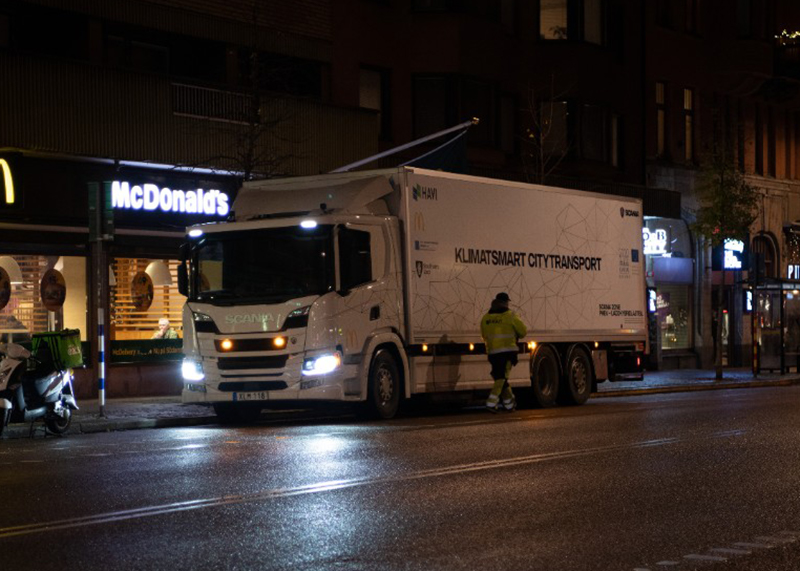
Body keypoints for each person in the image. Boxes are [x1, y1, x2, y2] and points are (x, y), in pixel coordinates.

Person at [480, 292, 527, 412]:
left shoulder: (486, 318)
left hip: (492, 353)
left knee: (501, 378)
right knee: (501, 377)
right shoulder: (510, 316)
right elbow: (523, 332)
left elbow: (483, 335)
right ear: (506, 302)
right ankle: (491, 402)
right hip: (507, 352)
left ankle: (509, 404)